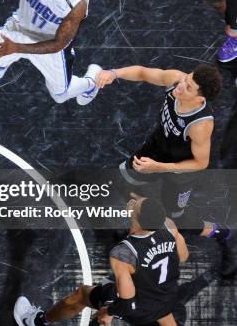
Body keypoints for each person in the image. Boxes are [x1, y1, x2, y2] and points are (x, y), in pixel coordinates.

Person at [15, 196, 204, 326]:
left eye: (136, 204)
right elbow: (183, 256)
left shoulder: (124, 252)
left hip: (140, 307)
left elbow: (128, 304)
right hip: (167, 296)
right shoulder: (168, 225)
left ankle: (35, 324)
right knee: (160, 306)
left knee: (81, 295)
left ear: (136, 219)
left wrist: (109, 312)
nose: (133, 201)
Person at [95, 63, 236, 276]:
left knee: (176, 219)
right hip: (156, 149)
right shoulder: (176, 80)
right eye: (186, 79)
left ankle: (221, 232)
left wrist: (159, 168)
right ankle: (135, 224)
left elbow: (200, 163)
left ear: (200, 98)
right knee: (126, 183)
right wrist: (114, 74)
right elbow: (143, 73)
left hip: (180, 171)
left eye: (188, 88)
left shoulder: (201, 124)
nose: (181, 86)